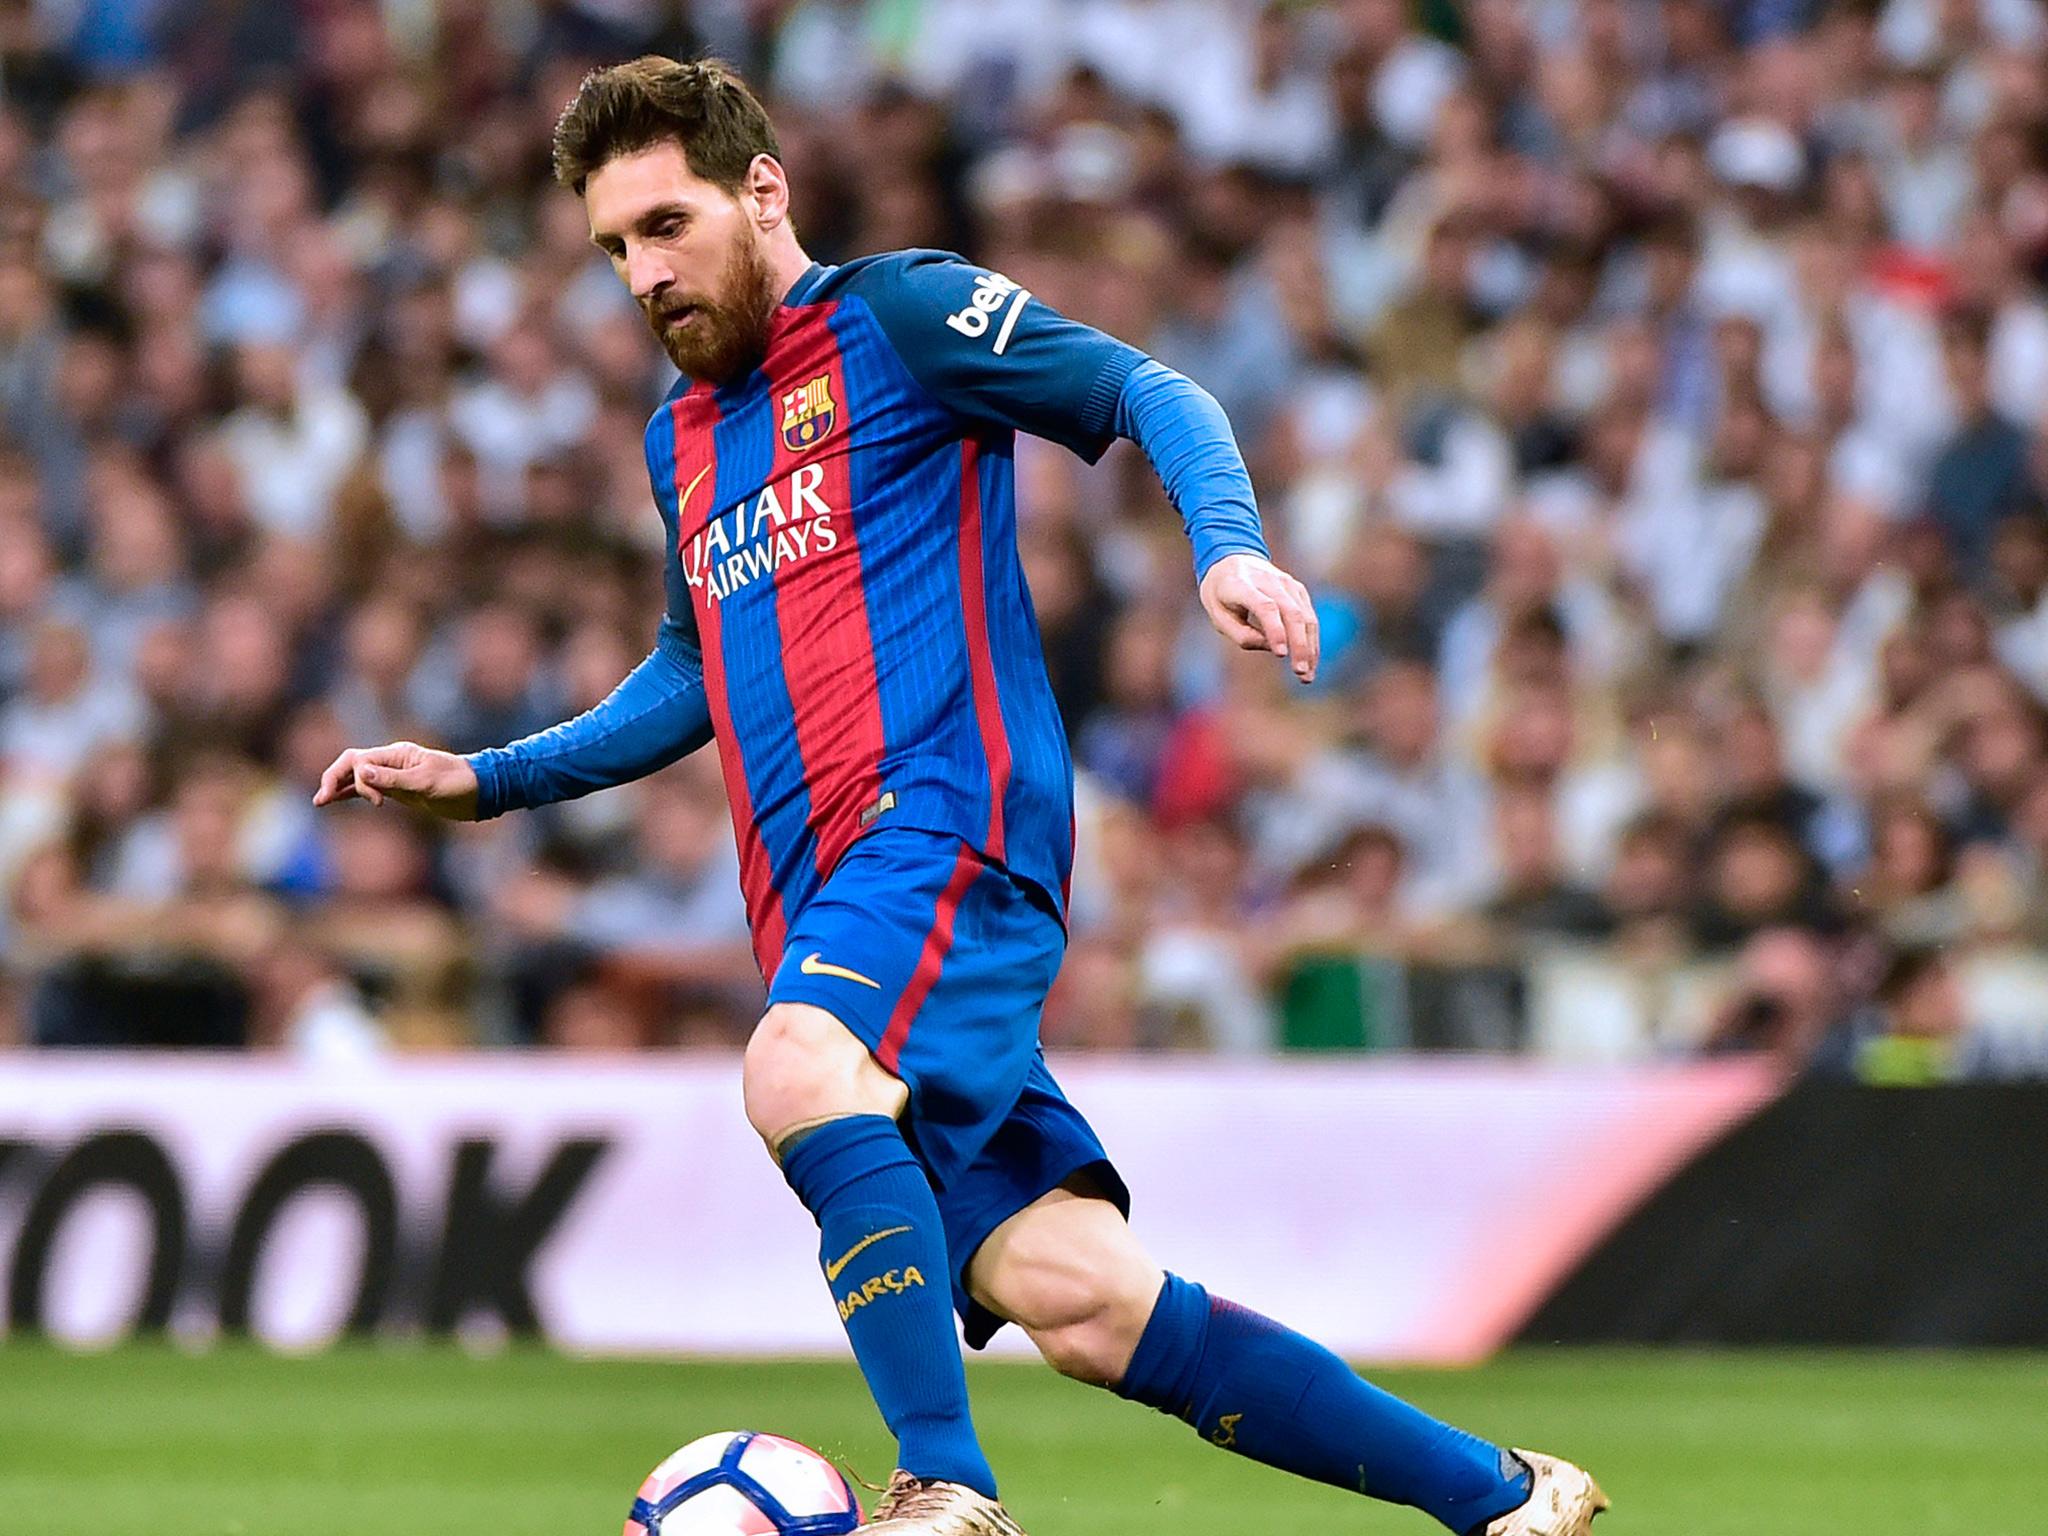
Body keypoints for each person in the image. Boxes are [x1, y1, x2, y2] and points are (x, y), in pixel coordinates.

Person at [314, 56, 1605, 1536]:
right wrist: (486, 781)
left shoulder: (899, 315)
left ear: (763, 190)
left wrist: (1229, 548)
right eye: (614, 248)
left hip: (946, 827)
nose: (641, 274)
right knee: (1085, 1302)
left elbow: (1144, 387)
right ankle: (1503, 1500)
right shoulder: (680, 439)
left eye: (665, 226)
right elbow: (694, 666)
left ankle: (950, 1495)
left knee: (797, 1068)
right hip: (834, 899)